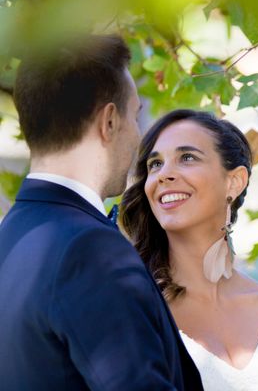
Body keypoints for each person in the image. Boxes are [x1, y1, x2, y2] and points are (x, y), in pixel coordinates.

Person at [0, 35, 203, 391]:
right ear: (109, 121)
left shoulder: (11, 236)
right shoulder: (89, 250)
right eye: (135, 114)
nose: (139, 135)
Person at [120, 109, 258, 391]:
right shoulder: (132, 308)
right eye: (155, 164)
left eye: (187, 157)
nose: (164, 174)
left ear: (234, 182)